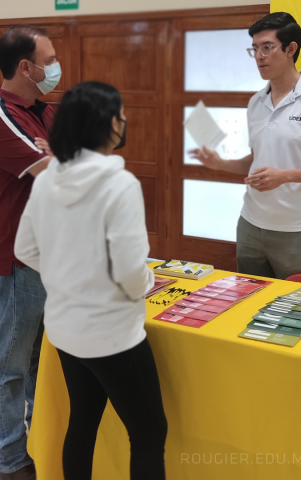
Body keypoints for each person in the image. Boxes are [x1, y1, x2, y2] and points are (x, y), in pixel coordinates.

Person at [14, 81, 168, 480]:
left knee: (82, 422)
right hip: (111, 333)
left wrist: (68, 277)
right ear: (106, 125)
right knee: (149, 433)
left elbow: (25, 250)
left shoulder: (49, 179)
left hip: (64, 328)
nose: (124, 121)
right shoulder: (119, 185)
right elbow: (131, 272)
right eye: (120, 114)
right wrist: (146, 283)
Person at [189, 12, 301, 279]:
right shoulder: (256, 102)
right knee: (248, 302)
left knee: (293, 309)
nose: (259, 56)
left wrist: (286, 176)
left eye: (267, 47)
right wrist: (219, 164)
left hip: (298, 232)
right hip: (250, 225)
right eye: (254, 49)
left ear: (291, 49)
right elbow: (257, 161)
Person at [0, 25, 60, 480]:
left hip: (48, 255)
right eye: (50, 58)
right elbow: (62, 177)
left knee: (42, 359)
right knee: (11, 366)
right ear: (26, 67)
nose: (55, 67)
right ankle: (11, 458)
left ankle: (40, 437)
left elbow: (91, 153)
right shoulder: (5, 115)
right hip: (17, 262)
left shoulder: (40, 110)